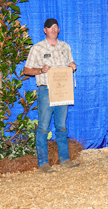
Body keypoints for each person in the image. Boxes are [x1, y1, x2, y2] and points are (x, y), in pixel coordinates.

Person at [24, 18, 79, 173]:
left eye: (56, 27)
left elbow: (71, 65)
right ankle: (43, 163)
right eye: (50, 27)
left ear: (58, 29)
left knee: (61, 126)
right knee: (43, 127)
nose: (53, 29)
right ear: (45, 30)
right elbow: (26, 70)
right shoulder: (37, 48)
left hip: (63, 90)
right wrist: (40, 70)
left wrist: (73, 67)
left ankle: (65, 159)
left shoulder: (65, 47)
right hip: (46, 90)